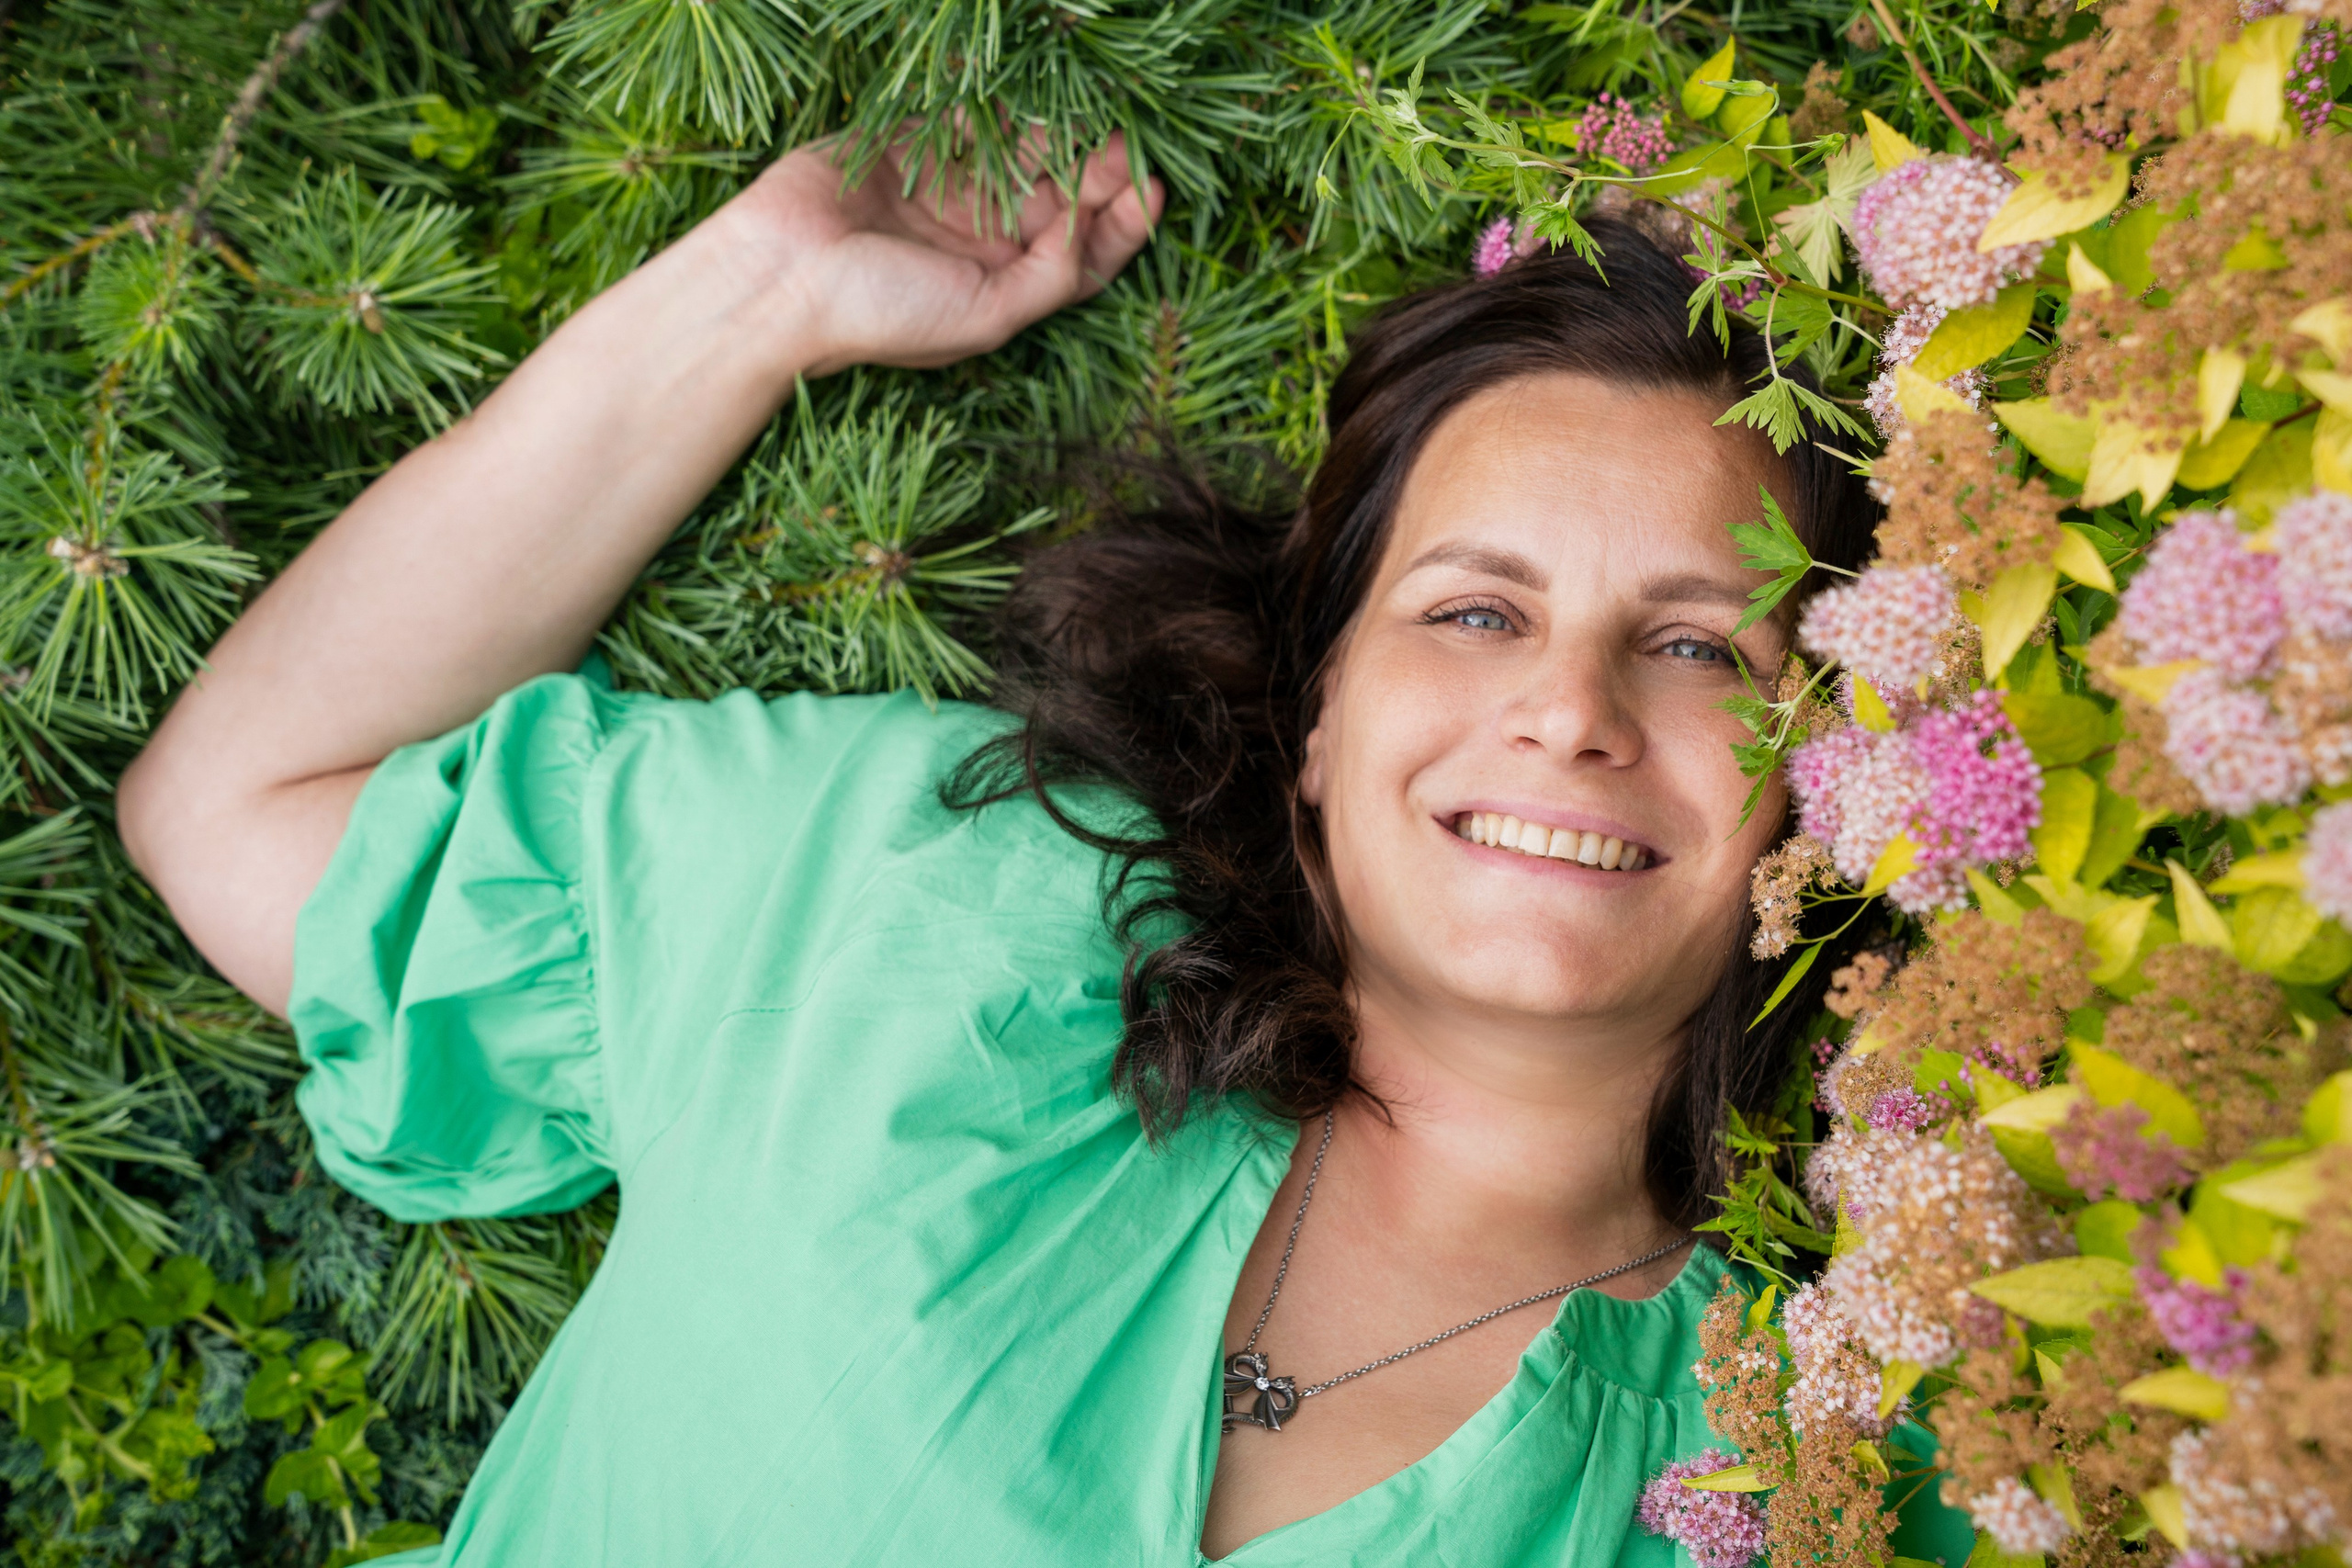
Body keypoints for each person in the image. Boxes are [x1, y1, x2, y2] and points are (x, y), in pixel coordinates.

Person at [118, 130, 1936, 1566]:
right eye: (1473, 612)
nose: (1568, 711)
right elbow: (248, 802)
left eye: (1701, 646)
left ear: (1837, 774)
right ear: (1318, 707)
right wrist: (757, 296)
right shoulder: (928, 901)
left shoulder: (1820, 1468)